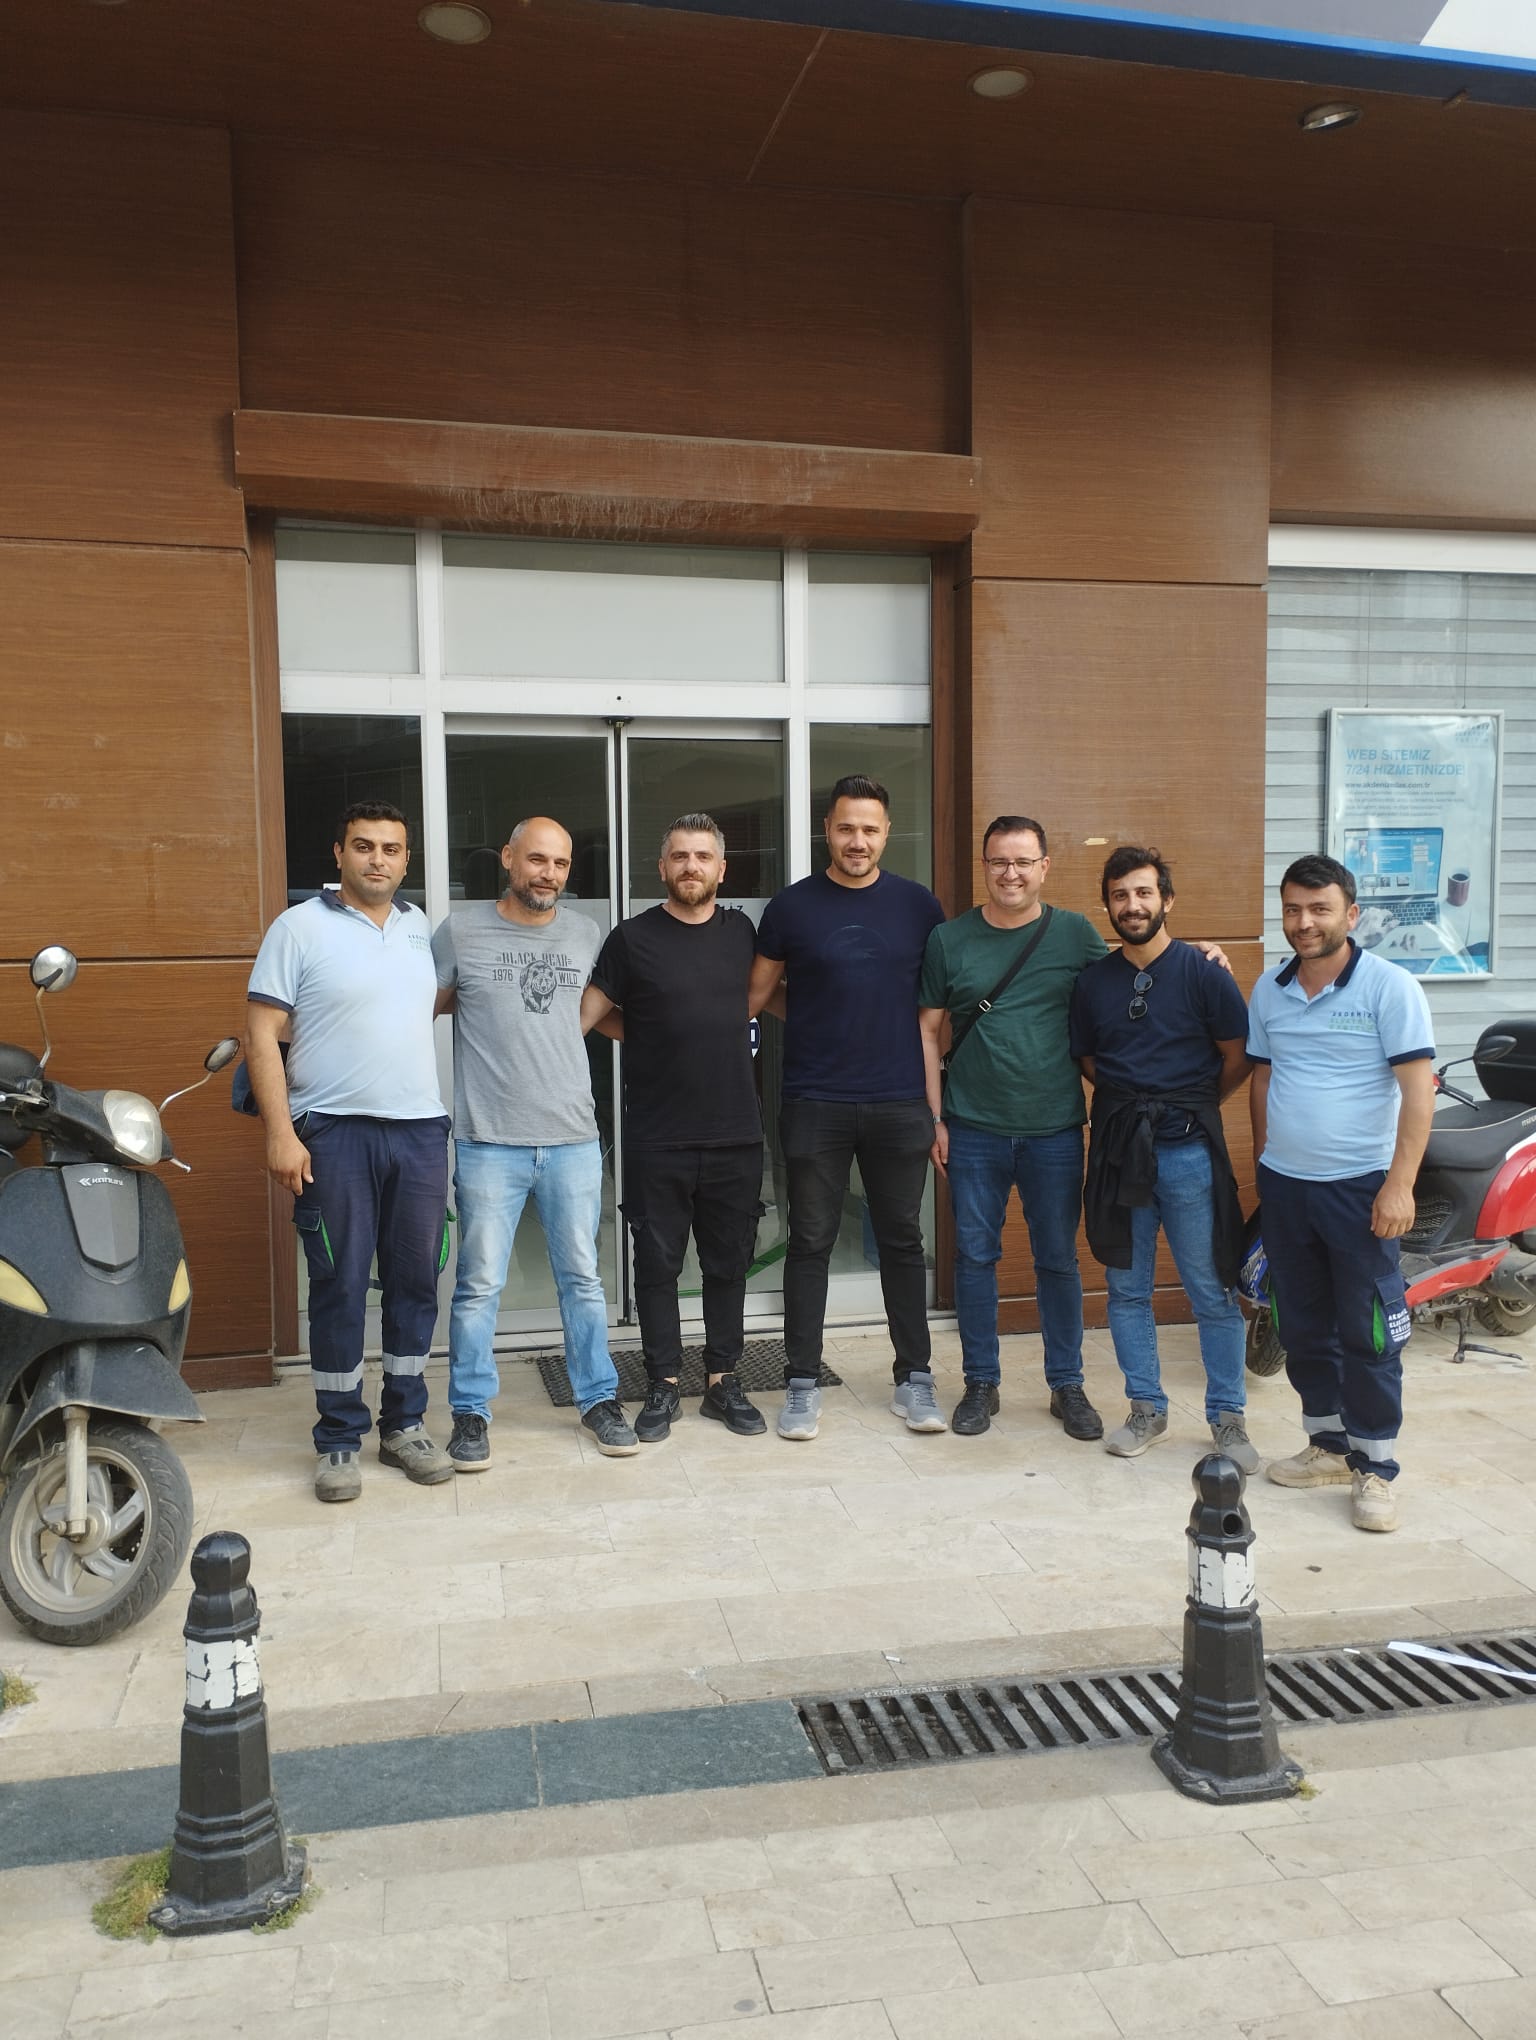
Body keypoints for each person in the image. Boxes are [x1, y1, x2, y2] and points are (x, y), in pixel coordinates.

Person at [246, 803, 453, 1503]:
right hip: (334, 1131)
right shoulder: (297, 928)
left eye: (391, 849)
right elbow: (262, 1032)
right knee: (337, 1283)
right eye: (364, 846)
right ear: (339, 853)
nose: (378, 859)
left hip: (419, 1130)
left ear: (406, 858)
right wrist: (280, 1132)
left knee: (416, 1282)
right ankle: (338, 1437)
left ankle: (404, 1425)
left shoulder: (419, 928)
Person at [431, 816, 638, 1465]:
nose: (549, 874)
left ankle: (598, 1399)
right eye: (537, 860)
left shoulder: (585, 933)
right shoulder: (460, 932)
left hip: (573, 1137)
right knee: (479, 1285)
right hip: (489, 1141)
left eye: (560, 863)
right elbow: (416, 1008)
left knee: (583, 1279)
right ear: (508, 858)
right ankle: (470, 1413)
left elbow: (602, 1013)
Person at [749, 776, 946, 1441]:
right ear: (826, 831)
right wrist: (810, 1014)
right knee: (809, 1243)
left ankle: (915, 1378)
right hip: (815, 1101)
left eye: (868, 829)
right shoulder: (792, 907)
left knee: (902, 1241)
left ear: (886, 833)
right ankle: (802, 1383)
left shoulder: (919, 906)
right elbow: (756, 995)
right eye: (845, 828)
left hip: (899, 1101)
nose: (856, 841)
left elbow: (937, 1004)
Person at [1249, 853, 1434, 1533]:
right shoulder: (1270, 990)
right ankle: (1327, 1445)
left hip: (1360, 1188)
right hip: (1287, 1187)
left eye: (1320, 909)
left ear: (1350, 915)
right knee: (1301, 1323)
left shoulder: (1390, 987)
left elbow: (1418, 1092)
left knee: (1370, 1328)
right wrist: (1267, 1161)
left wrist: (1399, 1186)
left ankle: (1376, 1467)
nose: (1305, 922)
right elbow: (1263, 1079)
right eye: (1293, 909)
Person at [919, 816, 1108, 1440]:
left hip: (1055, 1128)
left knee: (1057, 1259)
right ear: (984, 865)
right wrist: (935, 1117)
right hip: (972, 1127)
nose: (1011, 873)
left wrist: (1200, 954)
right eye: (1000, 861)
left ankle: (1067, 1384)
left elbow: (1131, 981)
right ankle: (980, 1382)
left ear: (1044, 867)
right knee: (975, 1257)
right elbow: (928, 1031)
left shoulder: (1074, 934)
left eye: (1024, 861)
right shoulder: (950, 939)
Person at [580, 814, 767, 1442]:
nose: (692, 866)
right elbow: (589, 1014)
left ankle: (721, 1381)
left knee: (728, 1265)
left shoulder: (742, 933)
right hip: (656, 1135)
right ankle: (663, 1383)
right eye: (680, 856)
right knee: (657, 1268)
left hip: (735, 1133)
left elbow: (764, 998)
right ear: (661, 868)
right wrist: (646, 1033)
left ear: (722, 869)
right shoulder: (632, 938)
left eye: (703, 856)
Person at [1069, 847, 1254, 1465]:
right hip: (1121, 1152)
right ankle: (1146, 1408)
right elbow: (1089, 1059)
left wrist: (1193, 1102)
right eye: (1120, 895)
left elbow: (1237, 1055)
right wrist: (1135, 1106)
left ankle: (1228, 1418)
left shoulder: (1205, 972)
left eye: (1144, 893)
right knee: (1126, 1289)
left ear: (1166, 899)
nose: (1133, 905)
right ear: (1108, 905)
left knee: (1211, 1290)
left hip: (1189, 1153)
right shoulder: (1093, 982)